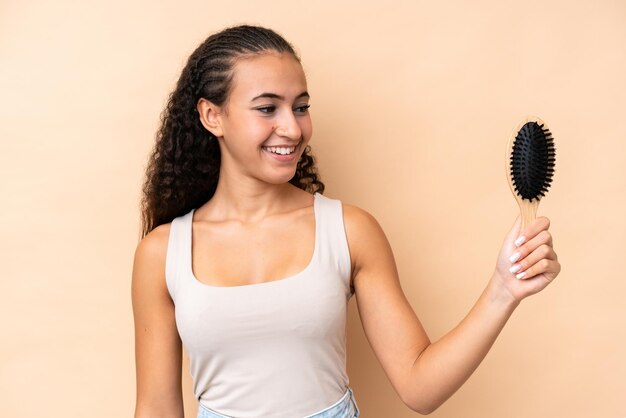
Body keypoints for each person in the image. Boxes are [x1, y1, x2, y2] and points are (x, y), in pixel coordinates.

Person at [131, 25, 561, 418]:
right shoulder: (163, 253)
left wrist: (503, 290)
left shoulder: (350, 230)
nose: (293, 129)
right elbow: (156, 408)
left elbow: (419, 386)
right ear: (212, 116)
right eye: (267, 108)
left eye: (300, 107)